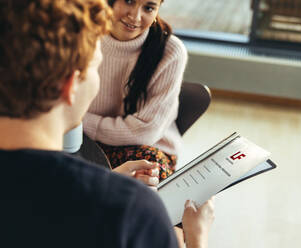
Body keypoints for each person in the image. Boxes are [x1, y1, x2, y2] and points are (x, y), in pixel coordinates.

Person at [0, 0, 214, 247]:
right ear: (71, 84)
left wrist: (109, 180)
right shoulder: (133, 210)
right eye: (94, 67)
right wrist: (198, 238)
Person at [83, 0, 187, 181]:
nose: (135, 16)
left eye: (148, 8)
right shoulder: (80, 33)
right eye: (129, 1)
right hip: (80, 139)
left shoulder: (171, 52)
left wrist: (81, 122)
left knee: (147, 177)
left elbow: (144, 132)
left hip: (143, 147)